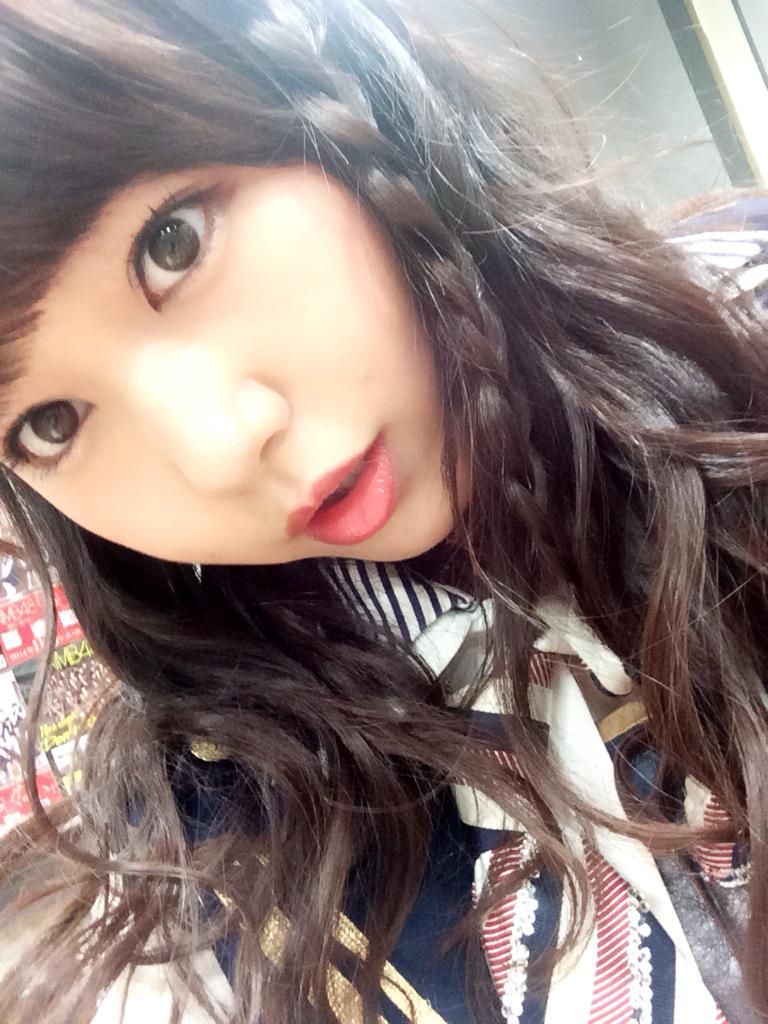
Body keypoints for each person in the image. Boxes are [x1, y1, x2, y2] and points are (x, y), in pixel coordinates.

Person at [0, 1, 765, 1021]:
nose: (220, 449)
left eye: (172, 242)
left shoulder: (744, 328)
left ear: (313, 89)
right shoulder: (206, 871)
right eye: (48, 423)